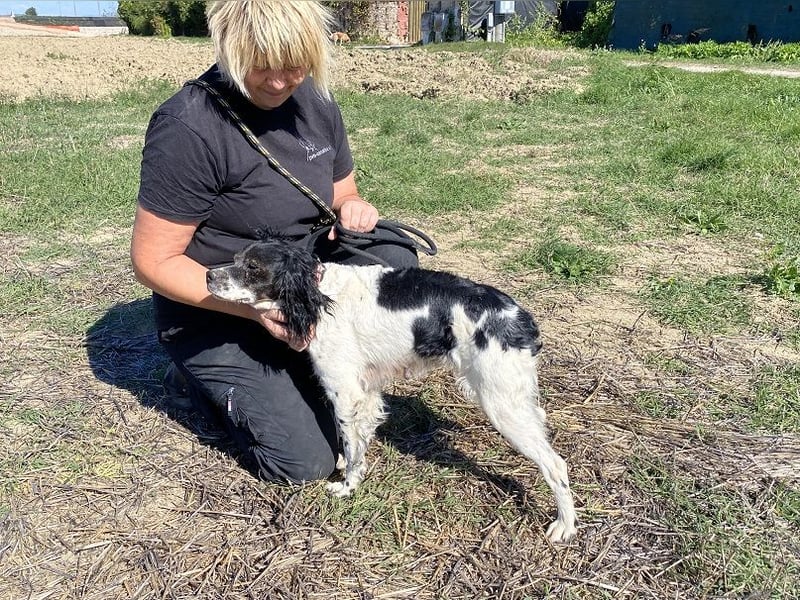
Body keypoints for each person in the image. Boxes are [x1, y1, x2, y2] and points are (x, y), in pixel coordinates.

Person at [130, 0, 418, 484]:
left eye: (295, 66)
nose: (281, 82)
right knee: (306, 464)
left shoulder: (316, 101)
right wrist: (255, 311)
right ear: (229, 50)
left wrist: (352, 207)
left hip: (299, 278)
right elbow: (152, 260)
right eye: (261, 66)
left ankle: (313, 354)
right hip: (222, 303)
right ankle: (199, 379)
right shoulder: (189, 127)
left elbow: (342, 190)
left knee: (393, 259)